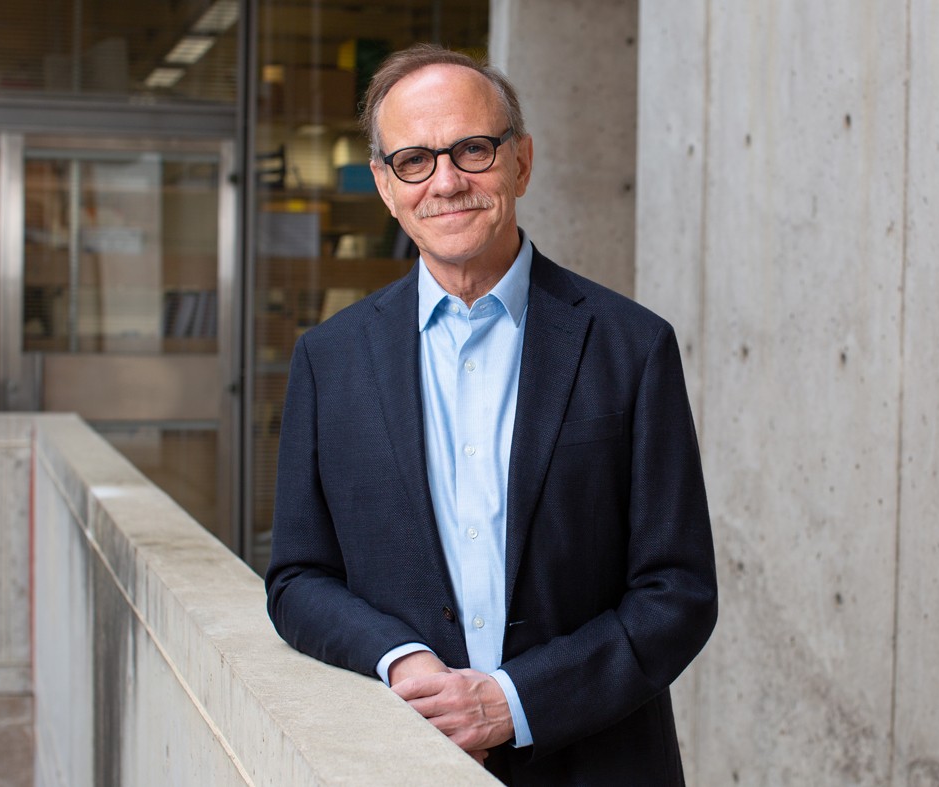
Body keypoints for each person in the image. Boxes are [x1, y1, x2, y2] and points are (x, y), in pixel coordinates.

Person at [265, 43, 716, 785]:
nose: (446, 181)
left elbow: (679, 590)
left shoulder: (632, 347)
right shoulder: (328, 358)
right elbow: (298, 578)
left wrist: (512, 700)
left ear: (521, 163)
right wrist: (401, 659)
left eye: (473, 149)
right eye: (414, 159)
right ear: (385, 184)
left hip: (599, 763)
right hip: (403, 759)